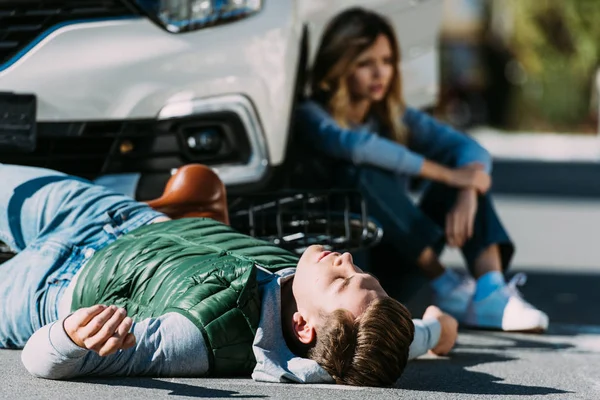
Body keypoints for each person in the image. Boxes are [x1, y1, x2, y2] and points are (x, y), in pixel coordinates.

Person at [0, 163, 457, 388]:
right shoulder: (355, 332)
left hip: (50, 286)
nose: (347, 260)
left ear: (301, 326)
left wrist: (68, 337)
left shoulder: (201, 338)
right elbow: (398, 340)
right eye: (363, 274)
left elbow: (43, 361)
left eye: (341, 280)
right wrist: (436, 329)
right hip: (117, 217)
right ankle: (191, 211)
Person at [294, 7, 548, 332]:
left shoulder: (395, 117)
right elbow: (356, 147)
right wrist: (449, 175)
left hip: (401, 255)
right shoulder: (311, 116)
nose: (380, 73)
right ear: (337, 66)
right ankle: (443, 281)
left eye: (386, 61)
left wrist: (466, 189)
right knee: (361, 172)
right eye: (365, 63)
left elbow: (472, 151)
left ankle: (490, 291)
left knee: (462, 173)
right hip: (348, 272)